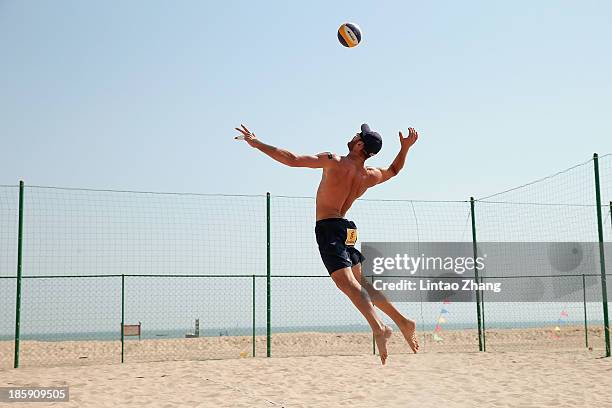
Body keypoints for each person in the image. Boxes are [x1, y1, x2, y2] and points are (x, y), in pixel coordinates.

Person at [235, 123, 420, 364]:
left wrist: (256, 143)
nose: (353, 135)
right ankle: (404, 321)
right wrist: (405, 148)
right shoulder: (369, 175)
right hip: (347, 228)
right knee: (362, 283)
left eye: (357, 135)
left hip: (329, 228)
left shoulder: (334, 161)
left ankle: (380, 327)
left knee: (346, 283)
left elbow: (291, 159)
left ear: (360, 144)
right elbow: (394, 170)